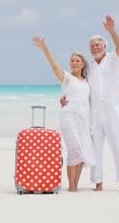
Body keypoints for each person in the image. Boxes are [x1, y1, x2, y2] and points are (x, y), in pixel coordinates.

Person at [61, 15, 119, 192]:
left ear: (105, 46)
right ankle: (98, 183)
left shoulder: (114, 58)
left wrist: (112, 31)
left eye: (98, 45)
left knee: (118, 146)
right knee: (95, 148)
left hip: (112, 108)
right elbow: (77, 83)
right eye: (92, 46)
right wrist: (64, 99)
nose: (94, 48)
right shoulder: (89, 65)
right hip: (94, 113)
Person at [32, 36, 96, 192]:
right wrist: (45, 49)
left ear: (83, 64)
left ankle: (76, 184)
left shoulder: (88, 81)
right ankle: (72, 186)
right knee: (74, 149)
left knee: (82, 151)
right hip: (68, 115)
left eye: (77, 60)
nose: (74, 62)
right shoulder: (66, 77)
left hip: (83, 119)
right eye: (72, 60)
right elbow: (54, 66)